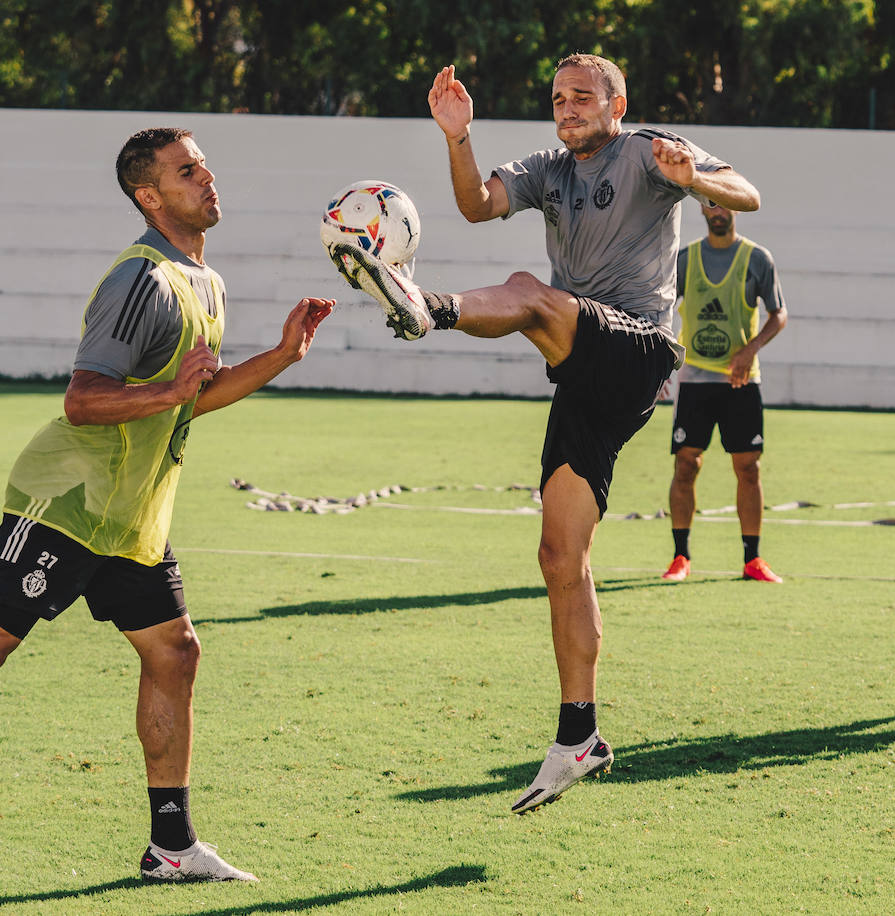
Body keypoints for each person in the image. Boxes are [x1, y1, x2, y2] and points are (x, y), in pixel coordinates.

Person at [0, 127, 333, 894]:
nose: (207, 178)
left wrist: (280, 356)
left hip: (131, 518)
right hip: (70, 504)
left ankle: (170, 846)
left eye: (204, 165)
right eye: (187, 170)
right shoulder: (140, 281)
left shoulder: (203, 281)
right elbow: (84, 400)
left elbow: (189, 403)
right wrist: (169, 392)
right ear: (150, 196)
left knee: (175, 652)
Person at [327, 55, 760, 814]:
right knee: (561, 554)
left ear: (617, 102)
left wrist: (694, 175)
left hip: (639, 345)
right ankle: (579, 736)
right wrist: (457, 137)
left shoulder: (650, 148)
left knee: (530, 293)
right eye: (559, 99)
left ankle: (427, 306)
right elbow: (475, 206)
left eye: (584, 97)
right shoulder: (547, 168)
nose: (568, 109)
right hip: (582, 368)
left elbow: (748, 194)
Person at [661, 201, 788, 584]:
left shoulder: (757, 259)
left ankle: (753, 559)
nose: (718, 210)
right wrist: (662, 358)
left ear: (734, 208)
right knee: (686, 465)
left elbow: (778, 313)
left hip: (741, 382)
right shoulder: (685, 260)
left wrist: (750, 350)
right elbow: (660, 307)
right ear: (702, 208)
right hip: (696, 381)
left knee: (748, 468)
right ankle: (680, 556)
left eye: (724, 204)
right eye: (710, 203)